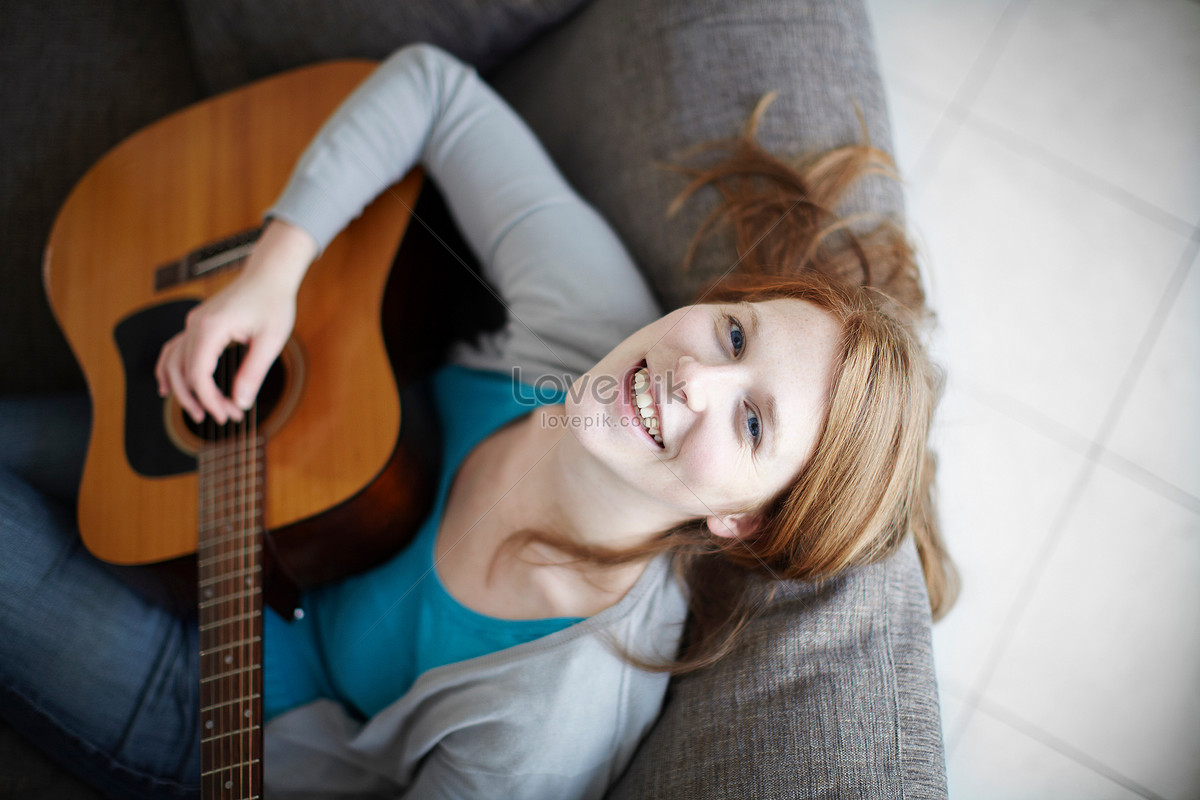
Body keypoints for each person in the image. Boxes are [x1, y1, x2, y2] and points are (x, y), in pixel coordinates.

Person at [0, 42, 954, 799]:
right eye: (734, 331)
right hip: (254, 460)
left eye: (751, 425)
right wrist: (273, 274)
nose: (693, 377)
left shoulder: (541, 727)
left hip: (217, 696)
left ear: (740, 521)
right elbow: (434, 89)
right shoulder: (591, 324)